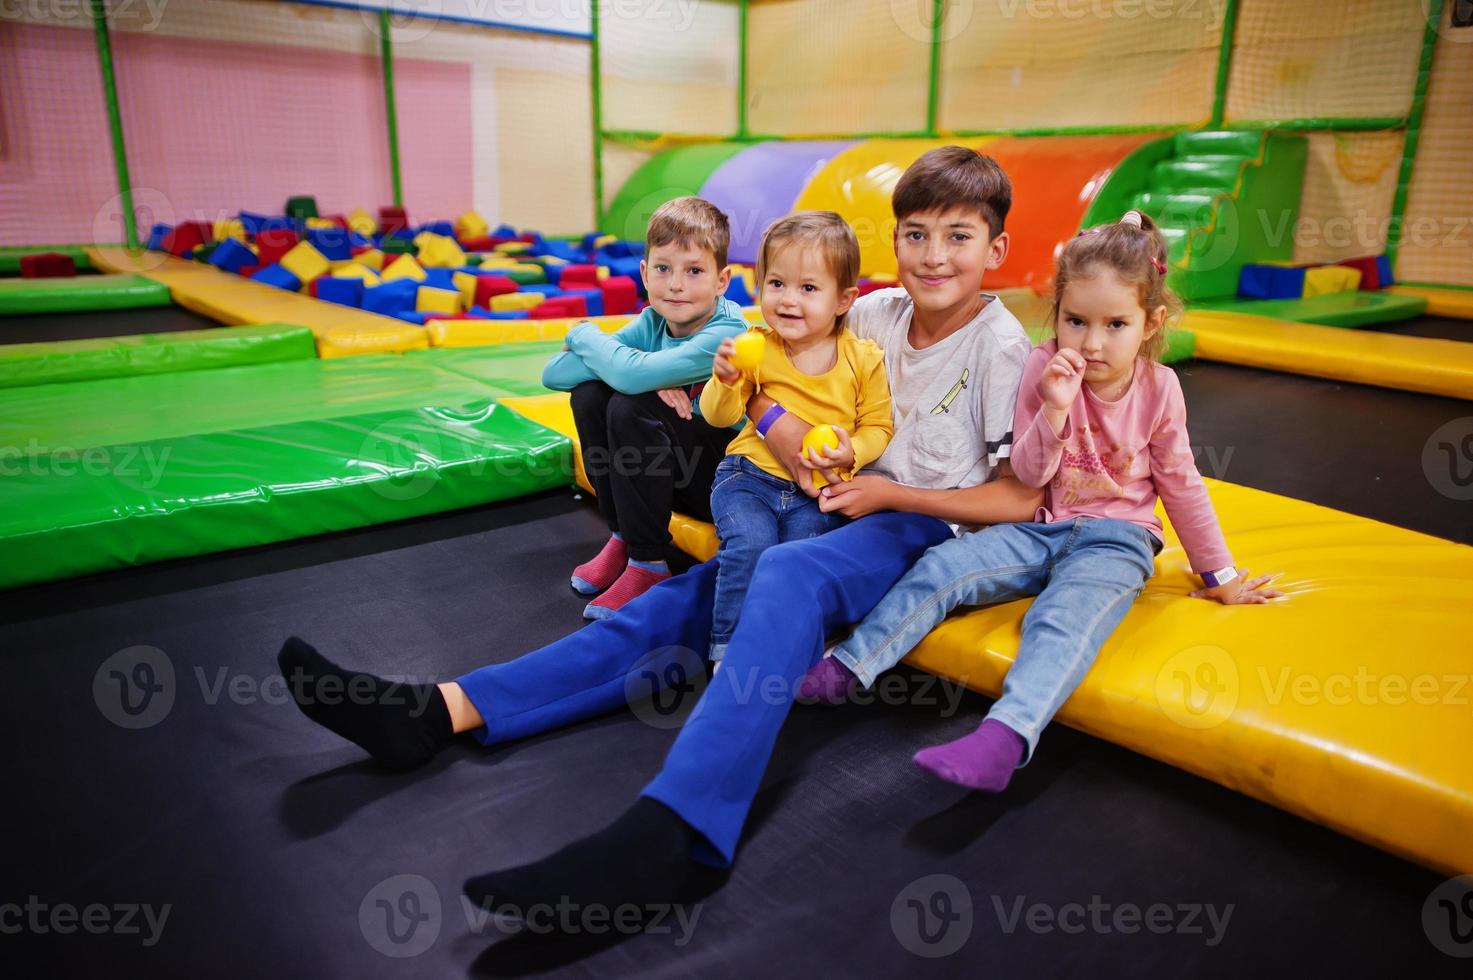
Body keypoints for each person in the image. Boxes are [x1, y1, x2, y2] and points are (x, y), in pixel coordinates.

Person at [277, 146, 1042, 921]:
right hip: (824, 503)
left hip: (917, 526)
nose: (932, 256)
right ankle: (442, 710)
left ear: (996, 249)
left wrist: (886, 491)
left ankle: (676, 828)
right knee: (679, 602)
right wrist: (772, 423)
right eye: (916, 235)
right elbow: (764, 380)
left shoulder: (1001, 349)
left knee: (784, 576)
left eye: (957, 237)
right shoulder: (872, 311)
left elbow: (1020, 496)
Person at [800, 211, 1285, 793]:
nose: (1092, 342)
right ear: (1056, 311)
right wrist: (1055, 408)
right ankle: (848, 667)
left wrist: (1220, 573)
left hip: (1120, 538)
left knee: (1060, 617)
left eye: (1116, 324)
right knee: (943, 567)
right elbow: (1028, 476)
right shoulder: (1041, 364)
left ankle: (1005, 735)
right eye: (1076, 321)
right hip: (1042, 525)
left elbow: (1181, 482)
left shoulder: (1160, 390)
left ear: (1151, 323)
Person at [543, 196, 747, 619]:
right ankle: (622, 535)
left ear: (722, 280)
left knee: (630, 401)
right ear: (644, 272)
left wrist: (586, 337)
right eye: (663, 269)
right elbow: (556, 375)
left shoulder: (727, 331)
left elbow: (633, 379)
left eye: (694, 271)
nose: (675, 285)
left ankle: (649, 561)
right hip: (667, 475)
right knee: (590, 394)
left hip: (725, 484)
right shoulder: (653, 321)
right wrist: (597, 345)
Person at [701, 211, 892, 662]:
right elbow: (717, 416)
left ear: (844, 299)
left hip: (816, 495)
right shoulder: (755, 346)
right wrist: (725, 379)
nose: (788, 300)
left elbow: (879, 426)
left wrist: (854, 450)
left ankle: (794, 645)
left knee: (800, 559)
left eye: (808, 288)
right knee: (749, 543)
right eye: (777, 284)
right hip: (748, 478)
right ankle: (727, 649)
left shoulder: (862, 358)